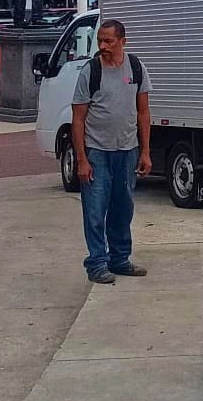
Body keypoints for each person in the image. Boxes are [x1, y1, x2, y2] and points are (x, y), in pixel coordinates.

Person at [71, 19, 153, 284]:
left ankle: (119, 259)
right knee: (95, 210)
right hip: (96, 152)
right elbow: (78, 118)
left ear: (123, 42)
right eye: (100, 41)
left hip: (127, 151)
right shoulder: (91, 71)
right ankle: (97, 263)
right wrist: (82, 160)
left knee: (123, 208)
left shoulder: (136, 68)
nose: (103, 46)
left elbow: (143, 113)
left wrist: (145, 152)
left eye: (109, 41)